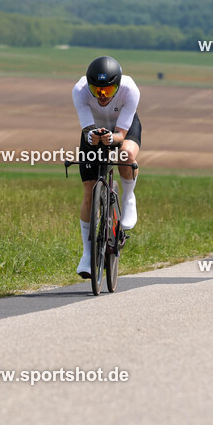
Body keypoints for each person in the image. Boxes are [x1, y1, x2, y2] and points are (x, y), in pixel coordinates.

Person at [71, 55, 141, 278]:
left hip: (122, 129)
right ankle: (87, 254)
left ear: (117, 86)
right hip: (94, 131)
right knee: (89, 192)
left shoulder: (130, 90)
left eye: (108, 91)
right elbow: (87, 130)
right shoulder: (79, 90)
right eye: (97, 90)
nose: (102, 96)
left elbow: (121, 134)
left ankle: (128, 196)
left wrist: (112, 139)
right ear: (89, 86)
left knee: (126, 154)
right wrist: (94, 136)